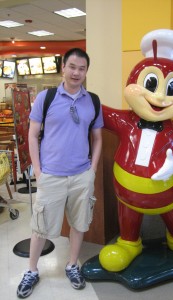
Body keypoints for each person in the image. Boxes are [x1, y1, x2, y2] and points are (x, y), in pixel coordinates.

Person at [17, 48, 104, 298]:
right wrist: (38, 170)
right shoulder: (46, 97)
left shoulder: (93, 101)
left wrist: (93, 169)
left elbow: (97, 138)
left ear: (86, 71)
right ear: (63, 67)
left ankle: (71, 264)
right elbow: (32, 135)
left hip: (81, 176)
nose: (77, 73)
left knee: (79, 224)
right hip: (51, 175)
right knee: (40, 227)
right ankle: (32, 270)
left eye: (82, 68)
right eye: (73, 67)